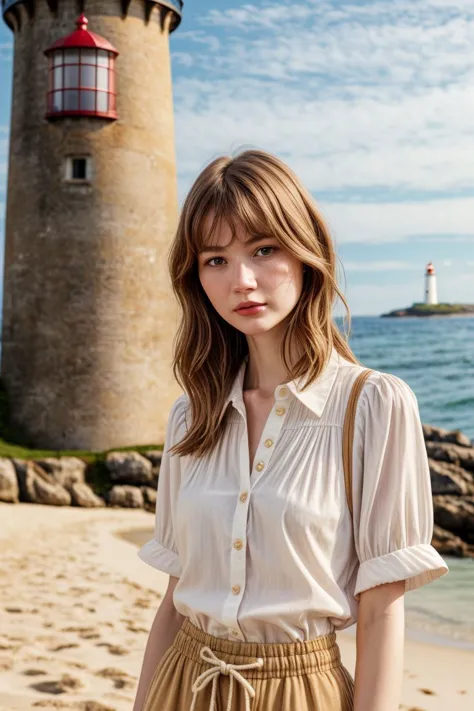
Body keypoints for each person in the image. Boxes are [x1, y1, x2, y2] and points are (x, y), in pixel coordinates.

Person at [132, 149, 449, 711]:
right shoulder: (192, 415)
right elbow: (174, 600)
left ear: (307, 255)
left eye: (263, 250)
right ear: (196, 276)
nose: (242, 281)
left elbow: (381, 609)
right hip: (183, 683)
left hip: (299, 692)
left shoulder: (373, 405)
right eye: (215, 260)